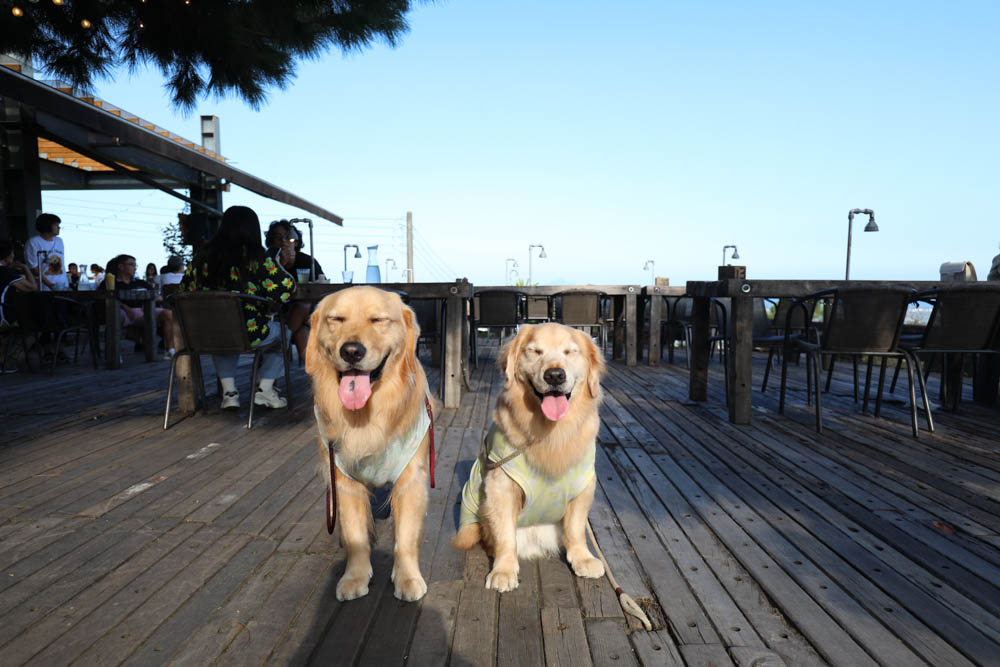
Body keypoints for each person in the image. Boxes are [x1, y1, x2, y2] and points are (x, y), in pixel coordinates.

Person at [181, 206, 294, 410]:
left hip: (206, 334)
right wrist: (281, 265)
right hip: (251, 333)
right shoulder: (257, 257)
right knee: (284, 333)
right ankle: (265, 389)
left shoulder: (202, 256)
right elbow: (285, 289)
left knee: (223, 333)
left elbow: (184, 290)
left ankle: (230, 394)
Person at [265, 219, 323, 362]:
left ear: (296, 242)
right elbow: (271, 290)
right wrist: (282, 264)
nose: (284, 242)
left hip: (306, 313)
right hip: (275, 312)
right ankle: (313, 370)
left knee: (302, 308)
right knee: (300, 324)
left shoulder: (307, 261)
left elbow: (321, 286)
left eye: (289, 238)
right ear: (271, 241)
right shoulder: (267, 261)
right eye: (278, 238)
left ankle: (284, 342)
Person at [112, 253, 176, 357]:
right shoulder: (112, 282)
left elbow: (158, 297)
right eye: (131, 264)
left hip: (144, 310)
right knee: (115, 316)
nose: (135, 268)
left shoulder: (140, 283)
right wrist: (125, 307)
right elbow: (103, 300)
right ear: (121, 266)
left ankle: (170, 350)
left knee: (168, 313)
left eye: (135, 265)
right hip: (123, 311)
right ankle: (114, 354)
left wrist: (146, 303)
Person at [24, 213, 65, 280]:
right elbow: (33, 268)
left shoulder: (59, 241)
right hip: (45, 287)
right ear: (47, 226)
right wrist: (49, 285)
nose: (59, 227)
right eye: (56, 225)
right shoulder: (34, 242)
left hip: (62, 284)